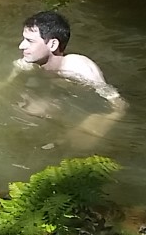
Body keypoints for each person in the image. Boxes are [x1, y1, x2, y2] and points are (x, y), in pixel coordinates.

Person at [11, 10, 124, 140]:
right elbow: (4, 86)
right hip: (58, 98)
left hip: (82, 104)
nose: (21, 46)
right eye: (23, 39)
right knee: (24, 109)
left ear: (53, 44)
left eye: (30, 41)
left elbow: (119, 106)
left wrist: (91, 127)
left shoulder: (79, 68)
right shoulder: (26, 63)